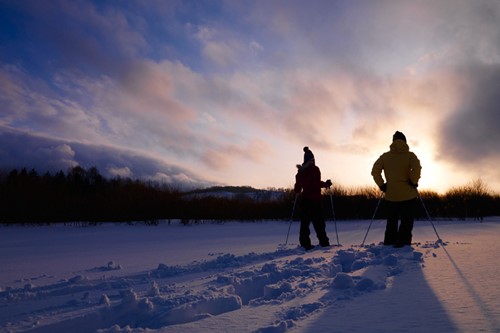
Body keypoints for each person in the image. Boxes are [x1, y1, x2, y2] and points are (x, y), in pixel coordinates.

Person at [371, 131, 421, 247]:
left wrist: (382, 185)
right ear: (405, 141)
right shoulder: (410, 156)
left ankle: (389, 243)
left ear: (393, 142)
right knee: (406, 222)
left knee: (391, 222)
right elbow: (417, 168)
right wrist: (414, 181)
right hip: (408, 195)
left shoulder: (385, 157)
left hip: (391, 195)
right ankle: (403, 243)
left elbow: (375, 171)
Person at [294, 146, 332, 250]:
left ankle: (305, 244)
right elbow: (316, 183)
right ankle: (324, 243)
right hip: (315, 201)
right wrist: (326, 184)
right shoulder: (315, 169)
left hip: (304, 201)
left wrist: (298, 191)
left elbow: (297, 188)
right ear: (312, 159)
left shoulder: (300, 172)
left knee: (305, 224)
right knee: (319, 224)